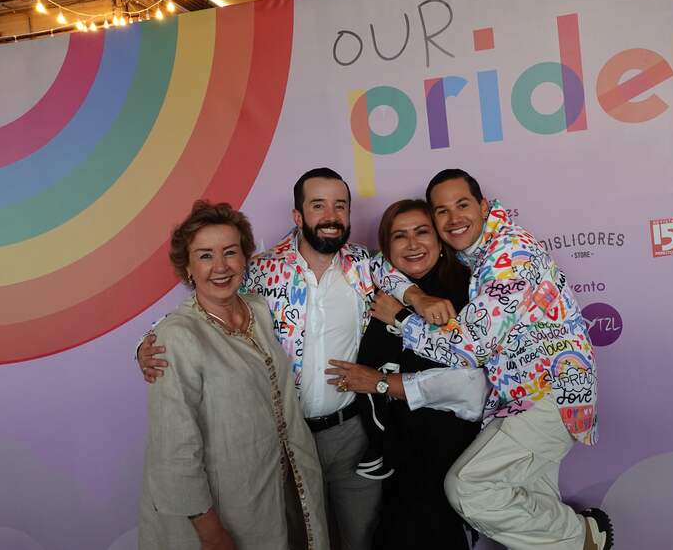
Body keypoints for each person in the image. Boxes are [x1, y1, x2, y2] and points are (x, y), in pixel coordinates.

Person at [137, 168, 458, 550]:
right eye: (318, 205)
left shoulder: (365, 264)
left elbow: (399, 280)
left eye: (339, 206)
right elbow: (205, 310)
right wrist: (144, 345)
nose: (330, 216)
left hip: (350, 432)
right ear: (297, 215)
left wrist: (418, 299)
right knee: (300, 538)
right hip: (283, 439)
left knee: (364, 537)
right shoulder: (260, 270)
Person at [371, 169, 615, 550]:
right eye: (442, 211)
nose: (454, 218)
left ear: (483, 206)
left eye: (462, 205)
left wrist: (403, 319)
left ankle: (581, 535)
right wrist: (415, 296)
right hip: (519, 397)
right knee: (531, 513)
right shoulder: (474, 249)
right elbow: (378, 264)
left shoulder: (507, 257)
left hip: (548, 397)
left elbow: (471, 347)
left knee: (468, 487)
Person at [139, 200, 328, 550]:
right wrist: (209, 530)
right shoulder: (175, 338)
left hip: (277, 490)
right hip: (223, 507)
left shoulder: (258, 309)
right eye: (205, 256)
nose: (221, 267)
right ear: (187, 267)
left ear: (244, 257)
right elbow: (174, 448)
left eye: (230, 252)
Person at [323, 199, 487, 550]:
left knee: (418, 532)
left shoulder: (464, 290)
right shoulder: (384, 286)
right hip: (398, 446)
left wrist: (381, 382)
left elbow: (474, 386)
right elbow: (378, 265)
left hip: (444, 444)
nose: (412, 244)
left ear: (440, 241)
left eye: (422, 232)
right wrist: (414, 298)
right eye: (399, 236)